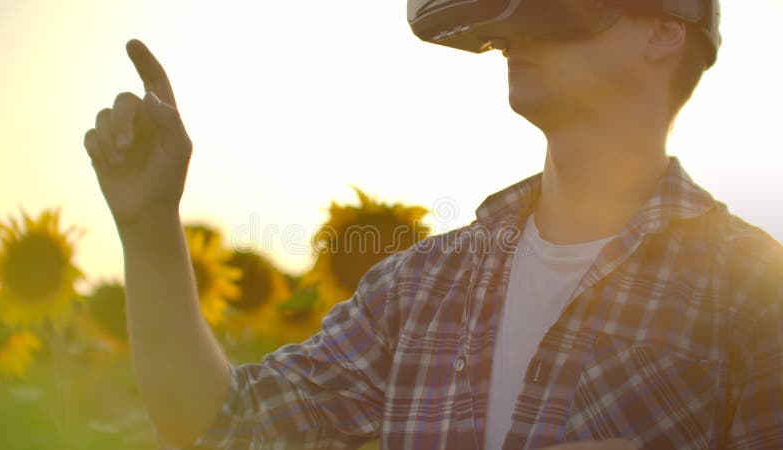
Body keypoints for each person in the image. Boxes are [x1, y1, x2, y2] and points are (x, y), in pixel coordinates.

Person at [83, 1, 782, 449]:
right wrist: (147, 225)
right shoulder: (420, 285)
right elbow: (222, 426)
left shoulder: (754, 293)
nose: (514, 28)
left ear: (664, 29)